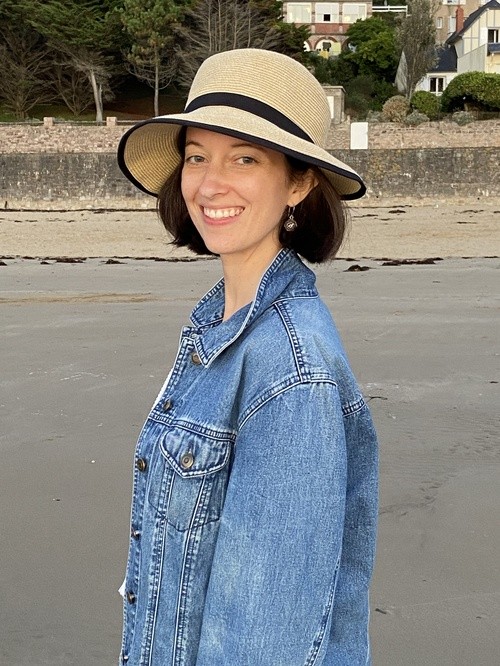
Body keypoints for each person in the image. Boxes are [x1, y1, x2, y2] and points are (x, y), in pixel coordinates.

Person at [117, 48, 378, 666]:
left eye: (245, 158)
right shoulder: (220, 327)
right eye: (197, 156)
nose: (211, 184)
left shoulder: (289, 367)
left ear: (299, 183)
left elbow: (263, 640)